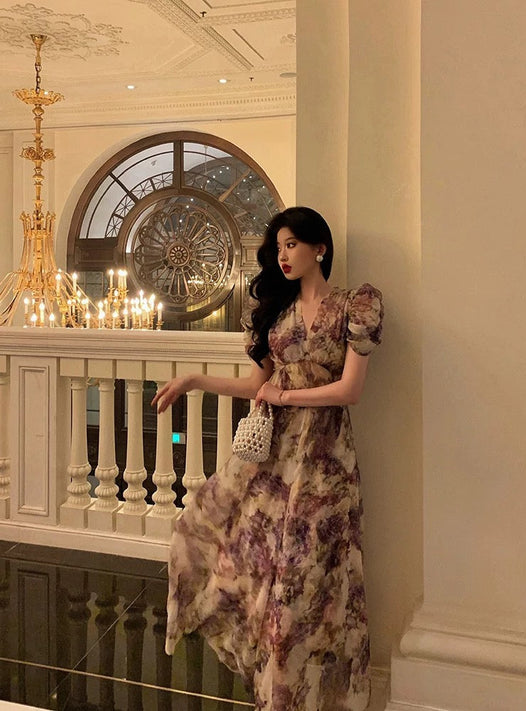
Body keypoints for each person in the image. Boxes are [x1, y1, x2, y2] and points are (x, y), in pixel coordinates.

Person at [152, 206, 383, 711]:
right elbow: (254, 385)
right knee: (248, 556)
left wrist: (284, 396)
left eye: (291, 244)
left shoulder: (355, 305)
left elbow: (349, 391)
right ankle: (274, 689)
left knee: (311, 574)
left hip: (325, 459)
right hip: (272, 459)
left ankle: (312, 694)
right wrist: (194, 379)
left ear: (319, 247)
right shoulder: (275, 314)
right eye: (277, 247)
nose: (282, 255)